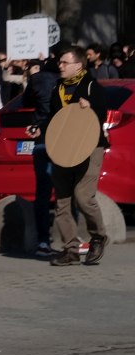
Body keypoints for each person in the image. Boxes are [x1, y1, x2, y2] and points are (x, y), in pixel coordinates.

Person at [36, 45, 110, 267]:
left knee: (83, 197)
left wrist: (91, 107)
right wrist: (39, 127)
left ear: (78, 65)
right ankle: (70, 249)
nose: (60, 66)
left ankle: (98, 236)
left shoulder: (90, 85)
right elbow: (54, 117)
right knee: (62, 201)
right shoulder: (58, 87)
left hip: (89, 147)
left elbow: (102, 112)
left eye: (64, 62)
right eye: (59, 62)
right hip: (63, 149)